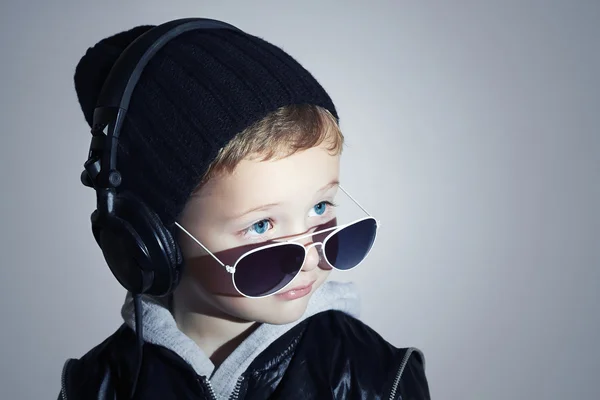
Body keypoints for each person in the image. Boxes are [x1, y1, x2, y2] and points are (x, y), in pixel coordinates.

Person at [59, 18, 431, 400]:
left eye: (320, 206)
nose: (307, 256)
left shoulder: (376, 378)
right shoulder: (95, 385)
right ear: (154, 238)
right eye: (261, 225)